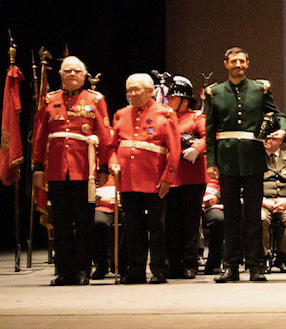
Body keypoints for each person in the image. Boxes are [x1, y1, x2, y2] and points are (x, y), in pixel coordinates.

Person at [32, 56, 114, 286]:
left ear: (84, 75)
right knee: (62, 224)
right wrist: (38, 167)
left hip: (84, 172)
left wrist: (103, 167)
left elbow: (105, 137)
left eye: (77, 71)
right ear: (60, 74)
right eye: (67, 71)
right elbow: (40, 136)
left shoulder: (95, 99)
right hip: (57, 170)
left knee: (85, 223)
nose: (72, 74)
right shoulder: (50, 99)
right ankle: (63, 271)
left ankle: (82, 272)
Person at [204, 47, 283, 282]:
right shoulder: (214, 92)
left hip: (252, 157)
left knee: (253, 216)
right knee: (230, 216)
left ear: (247, 64)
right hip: (227, 158)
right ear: (226, 63)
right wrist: (211, 161)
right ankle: (230, 266)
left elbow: (277, 115)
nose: (238, 64)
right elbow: (209, 130)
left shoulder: (260, 90)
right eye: (233, 61)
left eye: (242, 61)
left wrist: (282, 131)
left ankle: (256, 265)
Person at [109, 73, 180, 283]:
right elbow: (112, 146)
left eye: (136, 89)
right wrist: (113, 162)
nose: (131, 94)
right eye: (128, 90)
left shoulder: (165, 113)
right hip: (128, 180)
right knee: (133, 227)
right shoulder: (121, 114)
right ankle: (135, 270)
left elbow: (174, 150)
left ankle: (159, 269)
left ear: (150, 91)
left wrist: (168, 177)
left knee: (157, 227)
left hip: (155, 180)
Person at [164, 75, 207, 279]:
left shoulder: (196, 118)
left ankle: (190, 263)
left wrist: (197, 148)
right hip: (171, 177)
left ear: (183, 99)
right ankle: (173, 263)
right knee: (171, 223)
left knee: (190, 223)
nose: (168, 100)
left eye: (173, 97)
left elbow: (208, 136)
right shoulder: (165, 117)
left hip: (192, 176)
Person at [261, 134, 286, 270]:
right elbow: (248, 184)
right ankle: (264, 256)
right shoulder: (255, 158)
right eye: (265, 137)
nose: (267, 140)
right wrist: (263, 201)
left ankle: (282, 256)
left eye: (271, 137)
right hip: (263, 202)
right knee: (258, 218)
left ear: (280, 140)